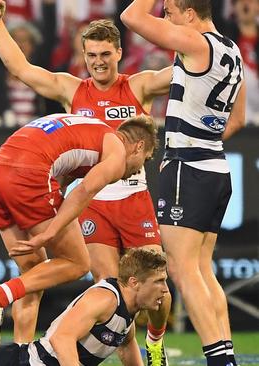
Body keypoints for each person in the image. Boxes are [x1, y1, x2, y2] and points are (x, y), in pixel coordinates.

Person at [0, 1, 172, 360]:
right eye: (91, 54)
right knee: (114, 295)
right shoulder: (72, 89)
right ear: (83, 55)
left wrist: (197, 33)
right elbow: (20, 68)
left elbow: (185, 71)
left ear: (119, 52)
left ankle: (156, 340)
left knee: (159, 290)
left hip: (133, 197)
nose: (98, 61)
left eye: (105, 54)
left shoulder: (140, 85)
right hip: (90, 202)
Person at [120, 1, 247, 366]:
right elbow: (236, 118)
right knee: (202, 268)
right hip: (215, 166)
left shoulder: (196, 43)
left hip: (188, 167)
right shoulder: (231, 50)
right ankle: (226, 352)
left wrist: (183, 147)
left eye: (171, 13)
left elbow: (131, 17)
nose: (166, 20)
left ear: (189, 14)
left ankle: (219, 360)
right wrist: (204, 135)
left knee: (181, 269)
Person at [0, 112, 157, 345]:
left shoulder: (90, 131)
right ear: (138, 147)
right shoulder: (117, 154)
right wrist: (51, 232)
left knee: (33, 274)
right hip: (28, 173)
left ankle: (20, 352)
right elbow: (83, 191)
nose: (139, 169)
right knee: (78, 262)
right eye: (146, 159)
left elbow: (63, 179)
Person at [0, 249, 170, 366]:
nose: (165, 290)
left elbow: (126, 343)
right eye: (158, 281)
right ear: (134, 282)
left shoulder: (128, 309)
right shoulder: (105, 299)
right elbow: (62, 338)